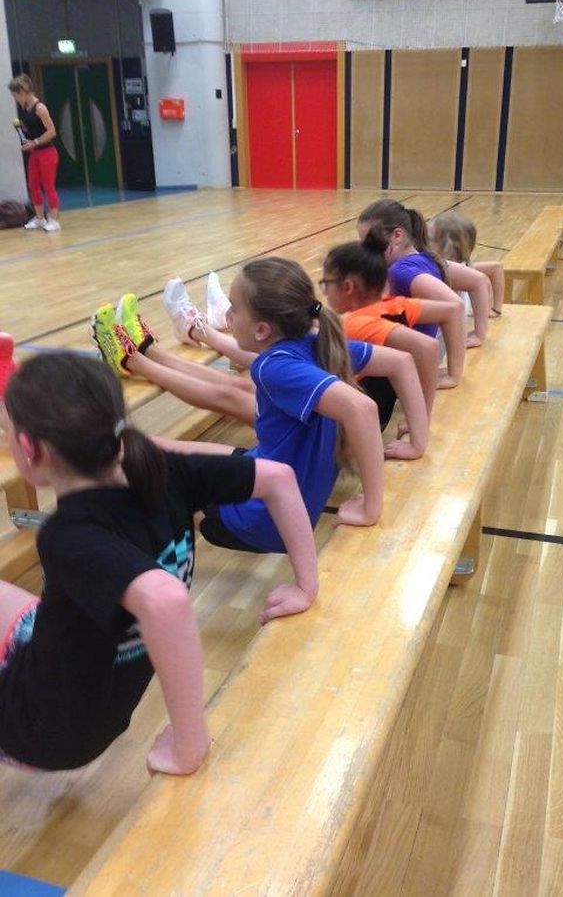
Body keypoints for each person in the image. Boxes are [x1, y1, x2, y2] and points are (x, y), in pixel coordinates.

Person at [0, 351, 319, 773]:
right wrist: (305, 586)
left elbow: (165, 600)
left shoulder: (70, 535)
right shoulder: (162, 470)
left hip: (41, 731)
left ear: (28, 449)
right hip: (83, 693)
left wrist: (190, 744)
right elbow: (279, 477)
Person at [92, 258, 426, 552]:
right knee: (162, 448)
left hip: (262, 521)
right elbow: (403, 362)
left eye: (233, 309)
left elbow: (362, 409)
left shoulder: (274, 367)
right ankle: (140, 356)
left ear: (262, 329)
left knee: (145, 466)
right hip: (278, 478)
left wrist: (371, 506)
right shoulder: (318, 343)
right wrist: (417, 443)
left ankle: (101, 517)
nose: (226, 315)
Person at [321, 229, 462, 422]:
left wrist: (421, 421)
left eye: (326, 284)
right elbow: (453, 309)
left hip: (362, 420)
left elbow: (427, 346)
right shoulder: (396, 305)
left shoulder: (355, 324)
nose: (325, 291)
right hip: (383, 404)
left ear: (347, 287)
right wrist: (454, 374)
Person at [356, 200, 466, 384]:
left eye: (369, 243)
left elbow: (456, 306)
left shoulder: (400, 272)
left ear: (397, 236)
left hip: (394, 376)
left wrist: (453, 374)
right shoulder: (425, 258)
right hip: (402, 368)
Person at [8, 74, 61, 232]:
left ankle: (54, 220)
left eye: (15, 95)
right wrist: (23, 134)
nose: (15, 99)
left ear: (22, 92)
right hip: (35, 153)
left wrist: (35, 142)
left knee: (48, 186)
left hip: (47, 153)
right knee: (33, 185)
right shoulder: (24, 108)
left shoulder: (40, 108)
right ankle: (40, 218)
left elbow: (51, 131)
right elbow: (33, 129)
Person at [429, 211, 505, 319]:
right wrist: (495, 309)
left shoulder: (450, 274)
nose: (422, 242)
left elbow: (494, 270)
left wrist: (490, 310)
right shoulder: (466, 268)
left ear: (449, 247)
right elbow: (496, 268)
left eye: (429, 239)